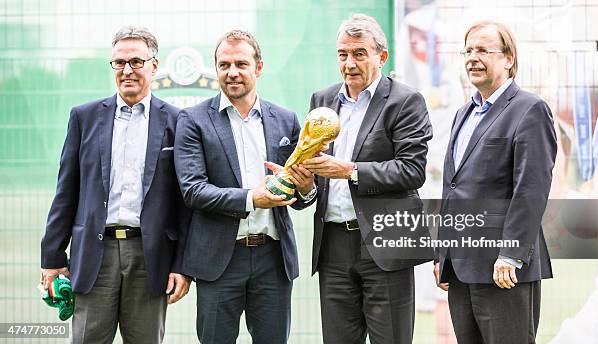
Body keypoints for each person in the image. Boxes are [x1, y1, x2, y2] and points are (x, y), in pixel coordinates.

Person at [40, 26, 191, 344]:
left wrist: (182, 266)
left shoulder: (179, 122)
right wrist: (52, 257)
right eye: (119, 62)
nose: (127, 70)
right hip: (94, 255)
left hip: (151, 258)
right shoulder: (84, 117)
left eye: (136, 61)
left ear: (154, 65)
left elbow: (184, 203)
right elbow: (66, 192)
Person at [298, 13, 433, 344]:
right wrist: (305, 188)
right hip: (332, 246)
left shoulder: (405, 101)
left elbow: (412, 170)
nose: (349, 63)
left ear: (381, 57)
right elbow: (318, 175)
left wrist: (350, 170)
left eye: (359, 53)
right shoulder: (322, 100)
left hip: (386, 242)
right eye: (342, 54)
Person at [174, 30, 314, 344]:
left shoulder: (285, 119)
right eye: (224, 65)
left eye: (241, 63)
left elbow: (300, 195)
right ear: (216, 69)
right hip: (219, 261)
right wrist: (254, 198)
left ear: (258, 68)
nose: (232, 72)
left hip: (273, 260)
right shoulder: (193, 120)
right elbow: (193, 190)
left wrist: (306, 189)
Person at [433, 20, 557, 343]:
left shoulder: (530, 110)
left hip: (504, 272)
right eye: (468, 50)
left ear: (509, 59)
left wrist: (511, 254)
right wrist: (442, 254)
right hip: (461, 271)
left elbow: (531, 190)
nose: (473, 57)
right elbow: (454, 189)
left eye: (483, 50)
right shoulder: (463, 114)